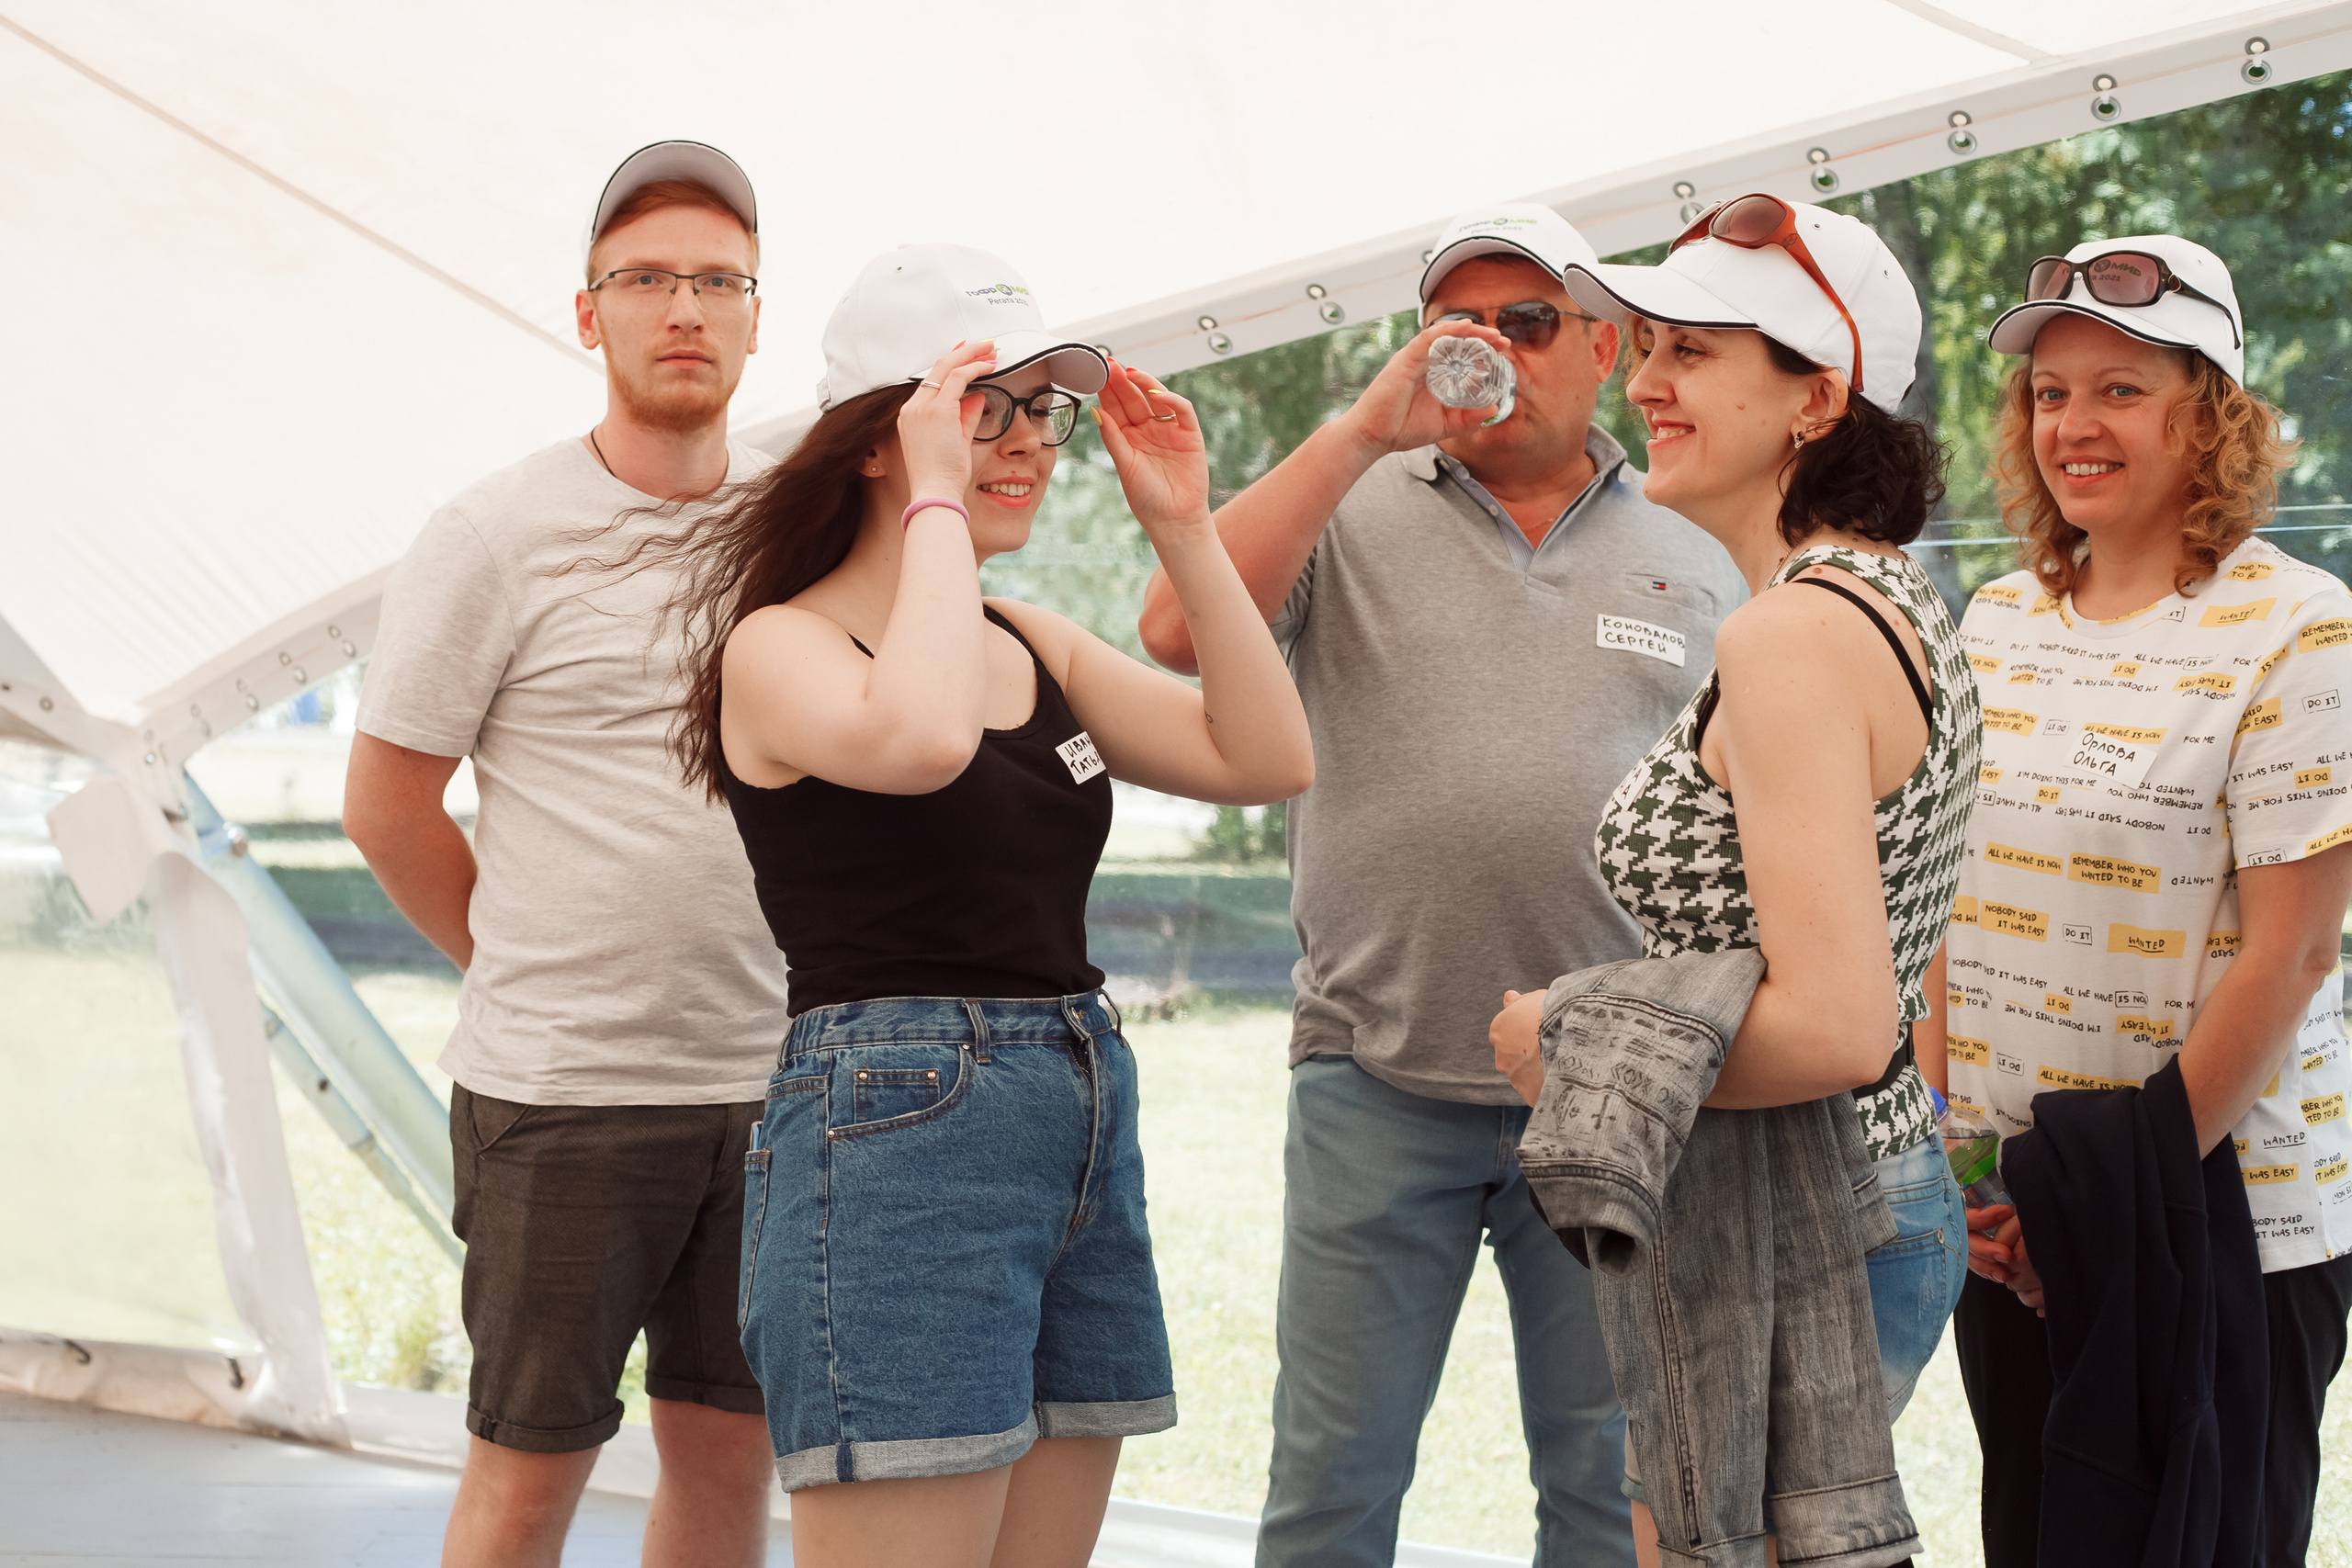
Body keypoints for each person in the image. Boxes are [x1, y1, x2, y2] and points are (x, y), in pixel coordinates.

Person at [664, 243, 1313, 1568]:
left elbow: (1267, 757)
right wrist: (941, 510)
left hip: (1072, 1112)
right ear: (876, 439)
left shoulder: (1032, 640)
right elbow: (918, 742)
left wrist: (1185, 528)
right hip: (896, 1132)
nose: (1027, 441)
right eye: (982, 407)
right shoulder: (782, 646)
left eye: (1043, 409)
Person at [1138, 205, 1746, 1568]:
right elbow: (1177, 628)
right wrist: (1360, 430)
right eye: (1452, 326)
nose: (1486, 352)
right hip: (1376, 1072)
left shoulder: (1699, 548)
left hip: (1612, 1089)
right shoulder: (1349, 504)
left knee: (1606, 1493)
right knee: (1333, 1488)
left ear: (1605, 348)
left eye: (1526, 323)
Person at [1492, 194, 1980, 1563]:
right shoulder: (1887, 601)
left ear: (1816, 396)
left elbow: (1840, 1024)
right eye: (1646, 344)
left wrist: (1572, 1046)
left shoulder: (1794, 637)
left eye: (1691, 352)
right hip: (1844, 1198)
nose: (1641, 380)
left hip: (1811, 1221)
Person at [343, 141, 783, 1568]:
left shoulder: (796, 518)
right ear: (587, 313)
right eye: (647, 278)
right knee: (528, 1479)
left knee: (729, 1468)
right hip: (565, 1096)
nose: (685, 310)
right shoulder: (491, 533)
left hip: (777, 1086)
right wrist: (519, 957)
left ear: (756, 316)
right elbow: (388, 805)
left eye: (719, 281)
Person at [1942, 233, 2352, 1568]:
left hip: (2223, 1225)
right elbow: (1943, 910)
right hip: (2013, 1226)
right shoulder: (1991, 622)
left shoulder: (2301, 628)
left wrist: (2104, 1208)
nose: (2074, 424)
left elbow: (2289, 960)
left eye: (2120, 387)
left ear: (2214, 413)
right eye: (2050, 393)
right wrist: (1971, 1181)